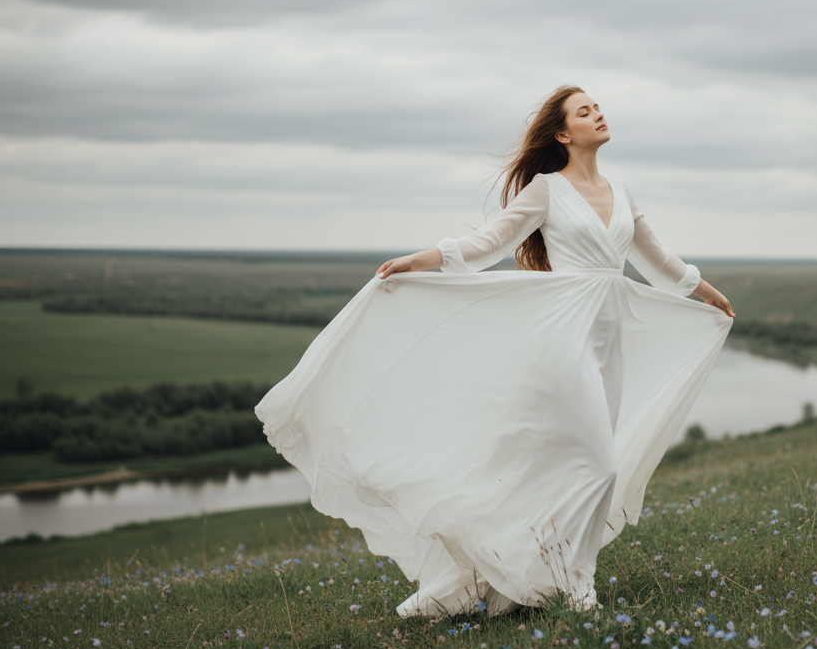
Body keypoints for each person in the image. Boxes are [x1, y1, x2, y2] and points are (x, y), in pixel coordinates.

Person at [256, 86, 734, 618]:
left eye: (598, 107)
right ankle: (577, 587)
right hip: (561, 338)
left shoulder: (621, 192)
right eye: (584, 111)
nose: (598, 114)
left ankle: (514, 572)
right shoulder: (547, 190)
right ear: (562, 134)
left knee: (556, 465)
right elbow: (490, 242)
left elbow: (658, 259)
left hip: (608, 342)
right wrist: (424, 259)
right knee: (601, 466)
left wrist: (706, 293)